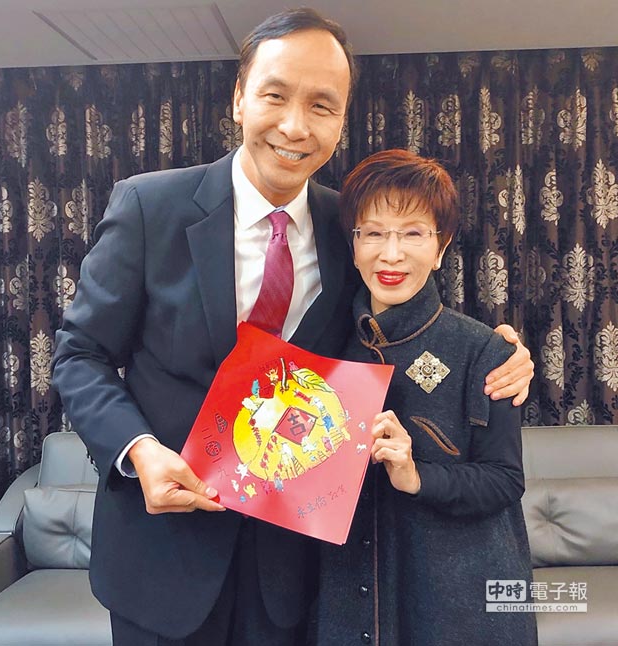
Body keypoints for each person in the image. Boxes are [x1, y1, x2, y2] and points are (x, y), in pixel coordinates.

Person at [52, 8, 533, 646]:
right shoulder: (150, 206)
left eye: (321, 105)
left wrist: (499, 350)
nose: (295, 126)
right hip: (162, 555)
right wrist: (137, 451)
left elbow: (400, 314)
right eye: (275, 96)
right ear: (239, 98)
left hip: (291, 567)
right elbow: (80, 355)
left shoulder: (349, 227)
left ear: (341, 120)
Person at [312, 149, 537, 645]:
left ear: (440, 246)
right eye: (373, 233)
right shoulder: (325, 347)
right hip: (349, 595)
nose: (391, 254)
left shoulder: (485, 350)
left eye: (413, 233)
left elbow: (504, 480)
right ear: (353, 245)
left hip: (457, 601)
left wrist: (416, 476)